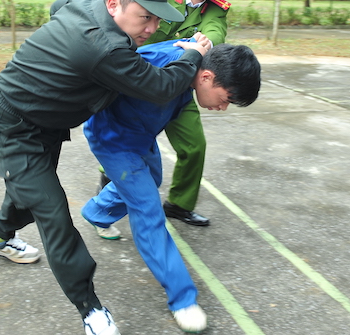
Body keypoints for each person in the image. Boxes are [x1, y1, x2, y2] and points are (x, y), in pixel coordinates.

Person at [0, 0, 212, 335]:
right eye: (145, 17)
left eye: (158, 18)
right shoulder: (105, 49)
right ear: (114, 3)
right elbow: (161, 87)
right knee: (53, 212)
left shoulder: (89, 3)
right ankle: (90, 309)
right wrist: (193, 55)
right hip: (15, 127)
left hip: (46, 123)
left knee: (26, 194)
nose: (152, 28)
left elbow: (58, 6)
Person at [82, 41, 261, 333]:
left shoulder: (194, 67)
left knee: (151, 182)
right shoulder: (160, 61)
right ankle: (182, 299)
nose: (223, 108)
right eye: (225, 99)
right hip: (113, 139)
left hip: (141, 137)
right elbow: (108, 65)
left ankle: (96, 213)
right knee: (147, 209)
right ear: (207, 77)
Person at [98, 0, 246, 228]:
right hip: (137, 82)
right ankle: (105, 194)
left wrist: (206, 43)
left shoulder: (215, 9)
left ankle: (179, 204)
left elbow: (215, 33)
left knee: (194, 146)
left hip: (178, 87)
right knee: (121, 144)